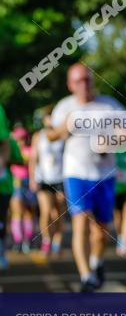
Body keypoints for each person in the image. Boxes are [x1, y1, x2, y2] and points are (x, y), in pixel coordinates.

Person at [46, 63, 125, 291]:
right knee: (80, 223)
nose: (84, 84)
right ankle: (86, 276)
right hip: (76, 173)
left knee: (101, 233)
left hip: (104, 175)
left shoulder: (109, 106)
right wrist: (63, 129)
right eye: (79, 80)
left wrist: (112, 141)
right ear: (70, 84)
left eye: (88, 79)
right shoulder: (65, 107)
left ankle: (96, 261)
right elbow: (50, 135)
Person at [31, 106, 66, 257]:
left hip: (61, 178)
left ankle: (57, 242)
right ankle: (46, 241)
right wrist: (32, 178)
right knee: (46, 211)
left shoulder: (63, 135)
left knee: (58, 213)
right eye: (48, 116)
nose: (50, 119)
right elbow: (33, 159)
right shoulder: (39, 136)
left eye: (53, 116)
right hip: (43, 178)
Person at [0, 104, 24, 270]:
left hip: (4, 186)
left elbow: (17, 157)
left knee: (1, 220)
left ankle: (1, 253)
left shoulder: (8, 139)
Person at [9, 125, 36, 253]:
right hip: (16, 183)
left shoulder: (30, 150)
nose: (21, 141)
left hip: (29, 183)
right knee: (17, 212)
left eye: (23, 138)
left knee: (29, 212)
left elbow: (33, 163)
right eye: (19, 139)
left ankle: (27, 240)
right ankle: (18, 240)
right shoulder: (11, 151)